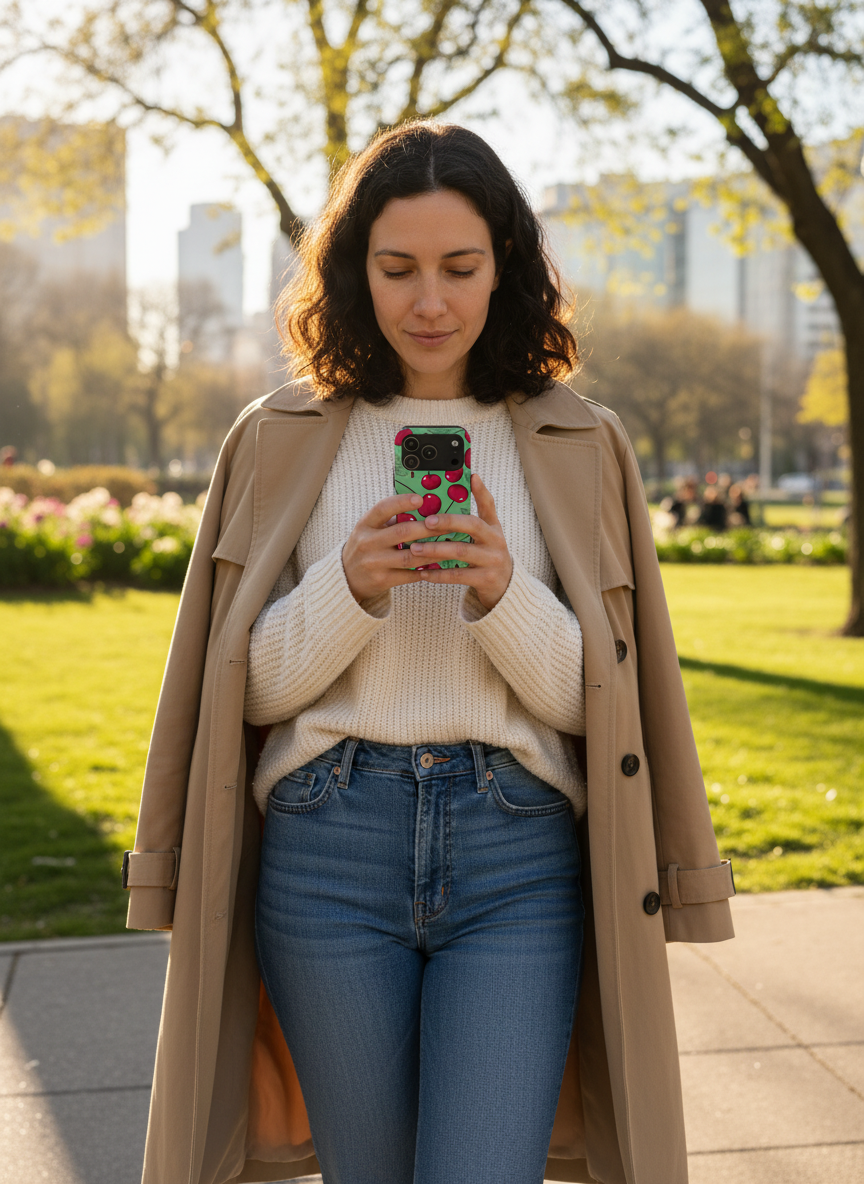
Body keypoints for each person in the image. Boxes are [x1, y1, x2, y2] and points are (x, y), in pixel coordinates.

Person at [124, 122, 734, 1184]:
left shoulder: (582, 441)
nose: (430, 302)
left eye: (461, 267)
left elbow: (607, 707)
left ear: (507, 268)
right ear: (354, 271)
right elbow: (243, 692)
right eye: (397, 268)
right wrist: (346, 590)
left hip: (519, 856)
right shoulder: (276, 435)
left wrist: (504, 595)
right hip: (326, 848)